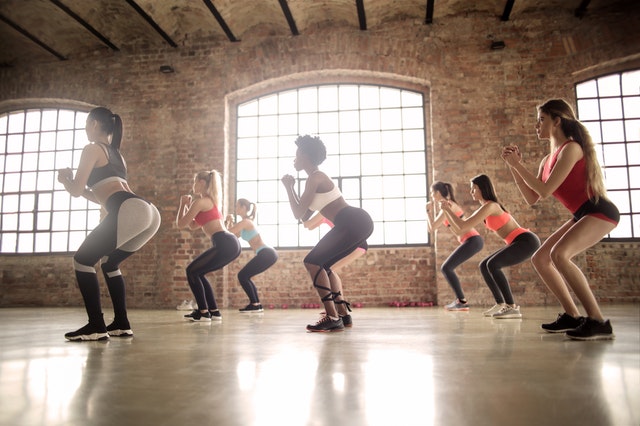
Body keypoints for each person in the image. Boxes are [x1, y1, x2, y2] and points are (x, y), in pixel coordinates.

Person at [501, 98, 619, 340]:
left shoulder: (572, 148)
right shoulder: (547, 160)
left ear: (557, 121)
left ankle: (598, 321)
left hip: (599, 211)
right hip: (581, 214)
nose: (536, 126)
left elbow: (545, 190)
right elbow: (532, 197)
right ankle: (572, 316)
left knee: (559, 255)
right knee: (541, 258)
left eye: (541, 120)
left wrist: (518, 165)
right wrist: (514, 167)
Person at [57, 107, 161, 341]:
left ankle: (96, 325)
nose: (85, 129)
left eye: (86, 124)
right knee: (109, 262)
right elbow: (100, 196)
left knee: (82, 260)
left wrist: (66, 180)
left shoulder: (92, 148)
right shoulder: (116, 154)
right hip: (148, 212)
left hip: (129, 209)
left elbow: (75, 190)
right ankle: (121, 324)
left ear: (94, 124)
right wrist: (76, 186)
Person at [281, 135, 374, 332]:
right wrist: (293, 190)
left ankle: (332, 317)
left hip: (351, 220)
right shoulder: (313, 179)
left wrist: (289, 188)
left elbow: (298, 211)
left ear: (305, 155)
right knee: (326, 266)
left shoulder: (316, 177)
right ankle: (343, 315)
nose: (294, 159)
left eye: (297, 154)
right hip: (354, 223)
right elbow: (303, 216)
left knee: (312, 262)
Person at [440, 174, 540, 319]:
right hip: (516, 241)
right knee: (484, 265)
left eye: (474, 188)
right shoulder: (484, 207)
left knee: (493, 264)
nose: (471, 191)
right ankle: (500, 304)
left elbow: (463, 225)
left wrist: (448, 210)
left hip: (526, 241)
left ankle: (512, 307)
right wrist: (446, 211)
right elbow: (460, 230)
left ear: (483, 189)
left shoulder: (491, 206)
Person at [176, 170, 241, 322]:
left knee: (191, 271)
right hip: (229, 243)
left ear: (202, 183)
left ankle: (203, 312)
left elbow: (181, 224)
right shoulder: (209, 202)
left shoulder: (200, 202)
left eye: (195, 181)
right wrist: (186, 207)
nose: (193, 185)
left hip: (224, 242)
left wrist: (182, 205)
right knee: (198, 272)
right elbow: (192, 225)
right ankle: (214, 311)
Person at [426, 181, 484, 311]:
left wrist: (428, 211)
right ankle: (461, 301)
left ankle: (462, 301)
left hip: (473, 239)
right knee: (447, 267)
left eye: (432, 193)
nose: (431, 196)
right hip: (471, 240)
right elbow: (431, 229)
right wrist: (429, 212)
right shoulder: (446, 205)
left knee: (446, 267)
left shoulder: (448, 205)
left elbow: (433, 227)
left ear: (437, 193)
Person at [303, 212, 368, 322]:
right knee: (329, 269)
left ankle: (339, 311)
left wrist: (304, 214)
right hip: (359, 243)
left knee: (328, 269)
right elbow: (311, 227)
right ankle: (342, 313)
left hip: (354, 243)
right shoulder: (328, 213)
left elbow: (307, 224)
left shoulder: (324, 210)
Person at [225, 198, 278, 313]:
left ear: (244, 208)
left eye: (237, 206)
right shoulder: (244, 223)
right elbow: (232, 236)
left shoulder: (246, 222)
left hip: (266, 253)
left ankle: (255, 304)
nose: (235, 208)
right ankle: (256, 304)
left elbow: (227, 232)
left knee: (242, 275)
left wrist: (228, 222)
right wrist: (229, 222)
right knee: (244, 276)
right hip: (266, 253)